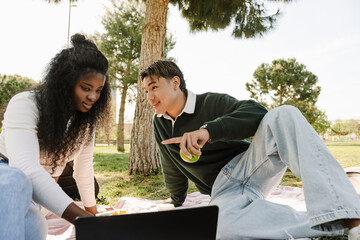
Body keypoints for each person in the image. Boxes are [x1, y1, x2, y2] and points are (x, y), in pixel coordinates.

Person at [141, 60, 360, 239]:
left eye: (154, 87)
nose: (149, 97)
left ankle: (352, 218)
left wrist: (209, 131)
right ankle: (333, 220)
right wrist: (175, 201)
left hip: (251, 164)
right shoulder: (159, 123)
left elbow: (256, 112)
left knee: (284, 114)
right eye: (146, 91)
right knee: (220, 227)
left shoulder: (210, 103)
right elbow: (170, 164)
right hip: (223, 191)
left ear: (175, 82)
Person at [0, 33, 111, 239]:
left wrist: (93, 217)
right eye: (86, 88)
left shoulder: (86, 121)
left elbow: (84, 169)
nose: (94, 97)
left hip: (38, 195)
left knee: (35, 228)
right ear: (64, 83)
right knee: (15, 182)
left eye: (98, 90)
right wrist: (83, 219)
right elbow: (26, 169)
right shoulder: (25, 104)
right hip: (6, 176)